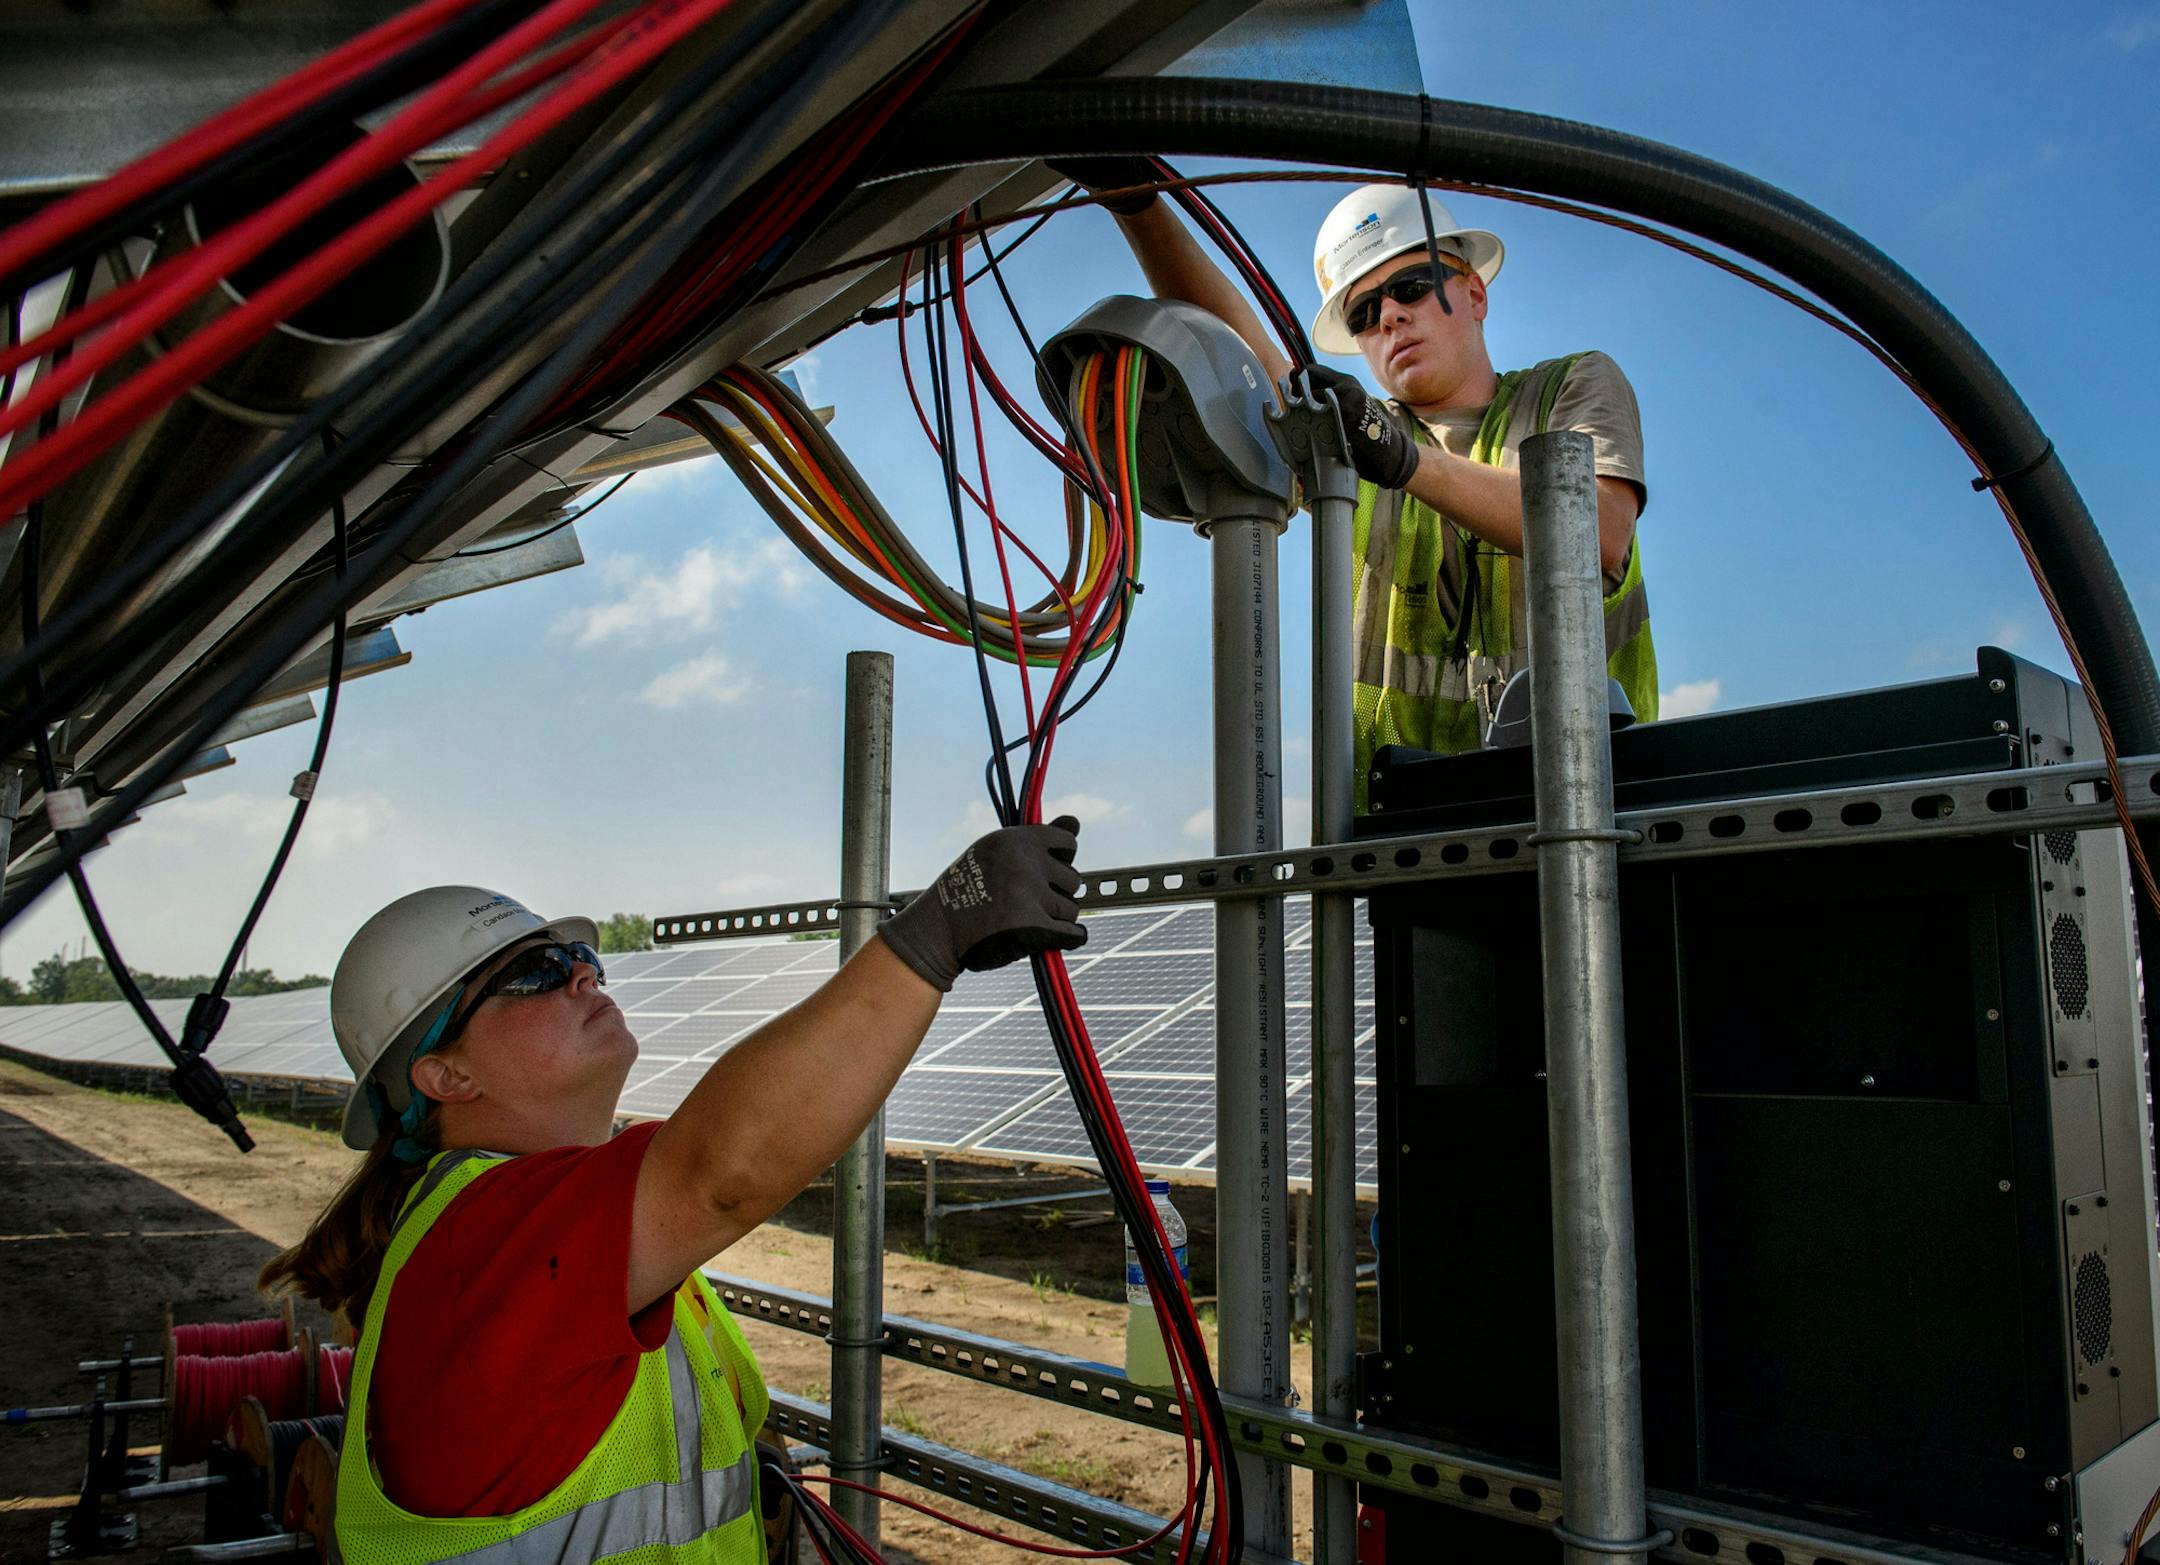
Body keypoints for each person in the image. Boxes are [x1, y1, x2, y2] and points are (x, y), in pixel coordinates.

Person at [259, 822, 1085, 1564]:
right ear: (445, 1073)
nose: (582, 975)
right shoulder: (472, 1242)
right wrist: (933, 933)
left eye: (582, 959)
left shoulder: (580, 1231)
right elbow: (720, 1172)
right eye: (538, 971)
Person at [1063, 165, 1659, 807]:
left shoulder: (1572, 386)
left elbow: (1594, 531)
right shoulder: (1350, 443)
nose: (1391, 317)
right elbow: (1241, 355)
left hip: (1600, 802)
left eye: (1412, 285)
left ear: (1475, 292)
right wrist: (1135, 202)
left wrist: (1403, 459)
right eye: (1364, 313)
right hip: (1411, 832)